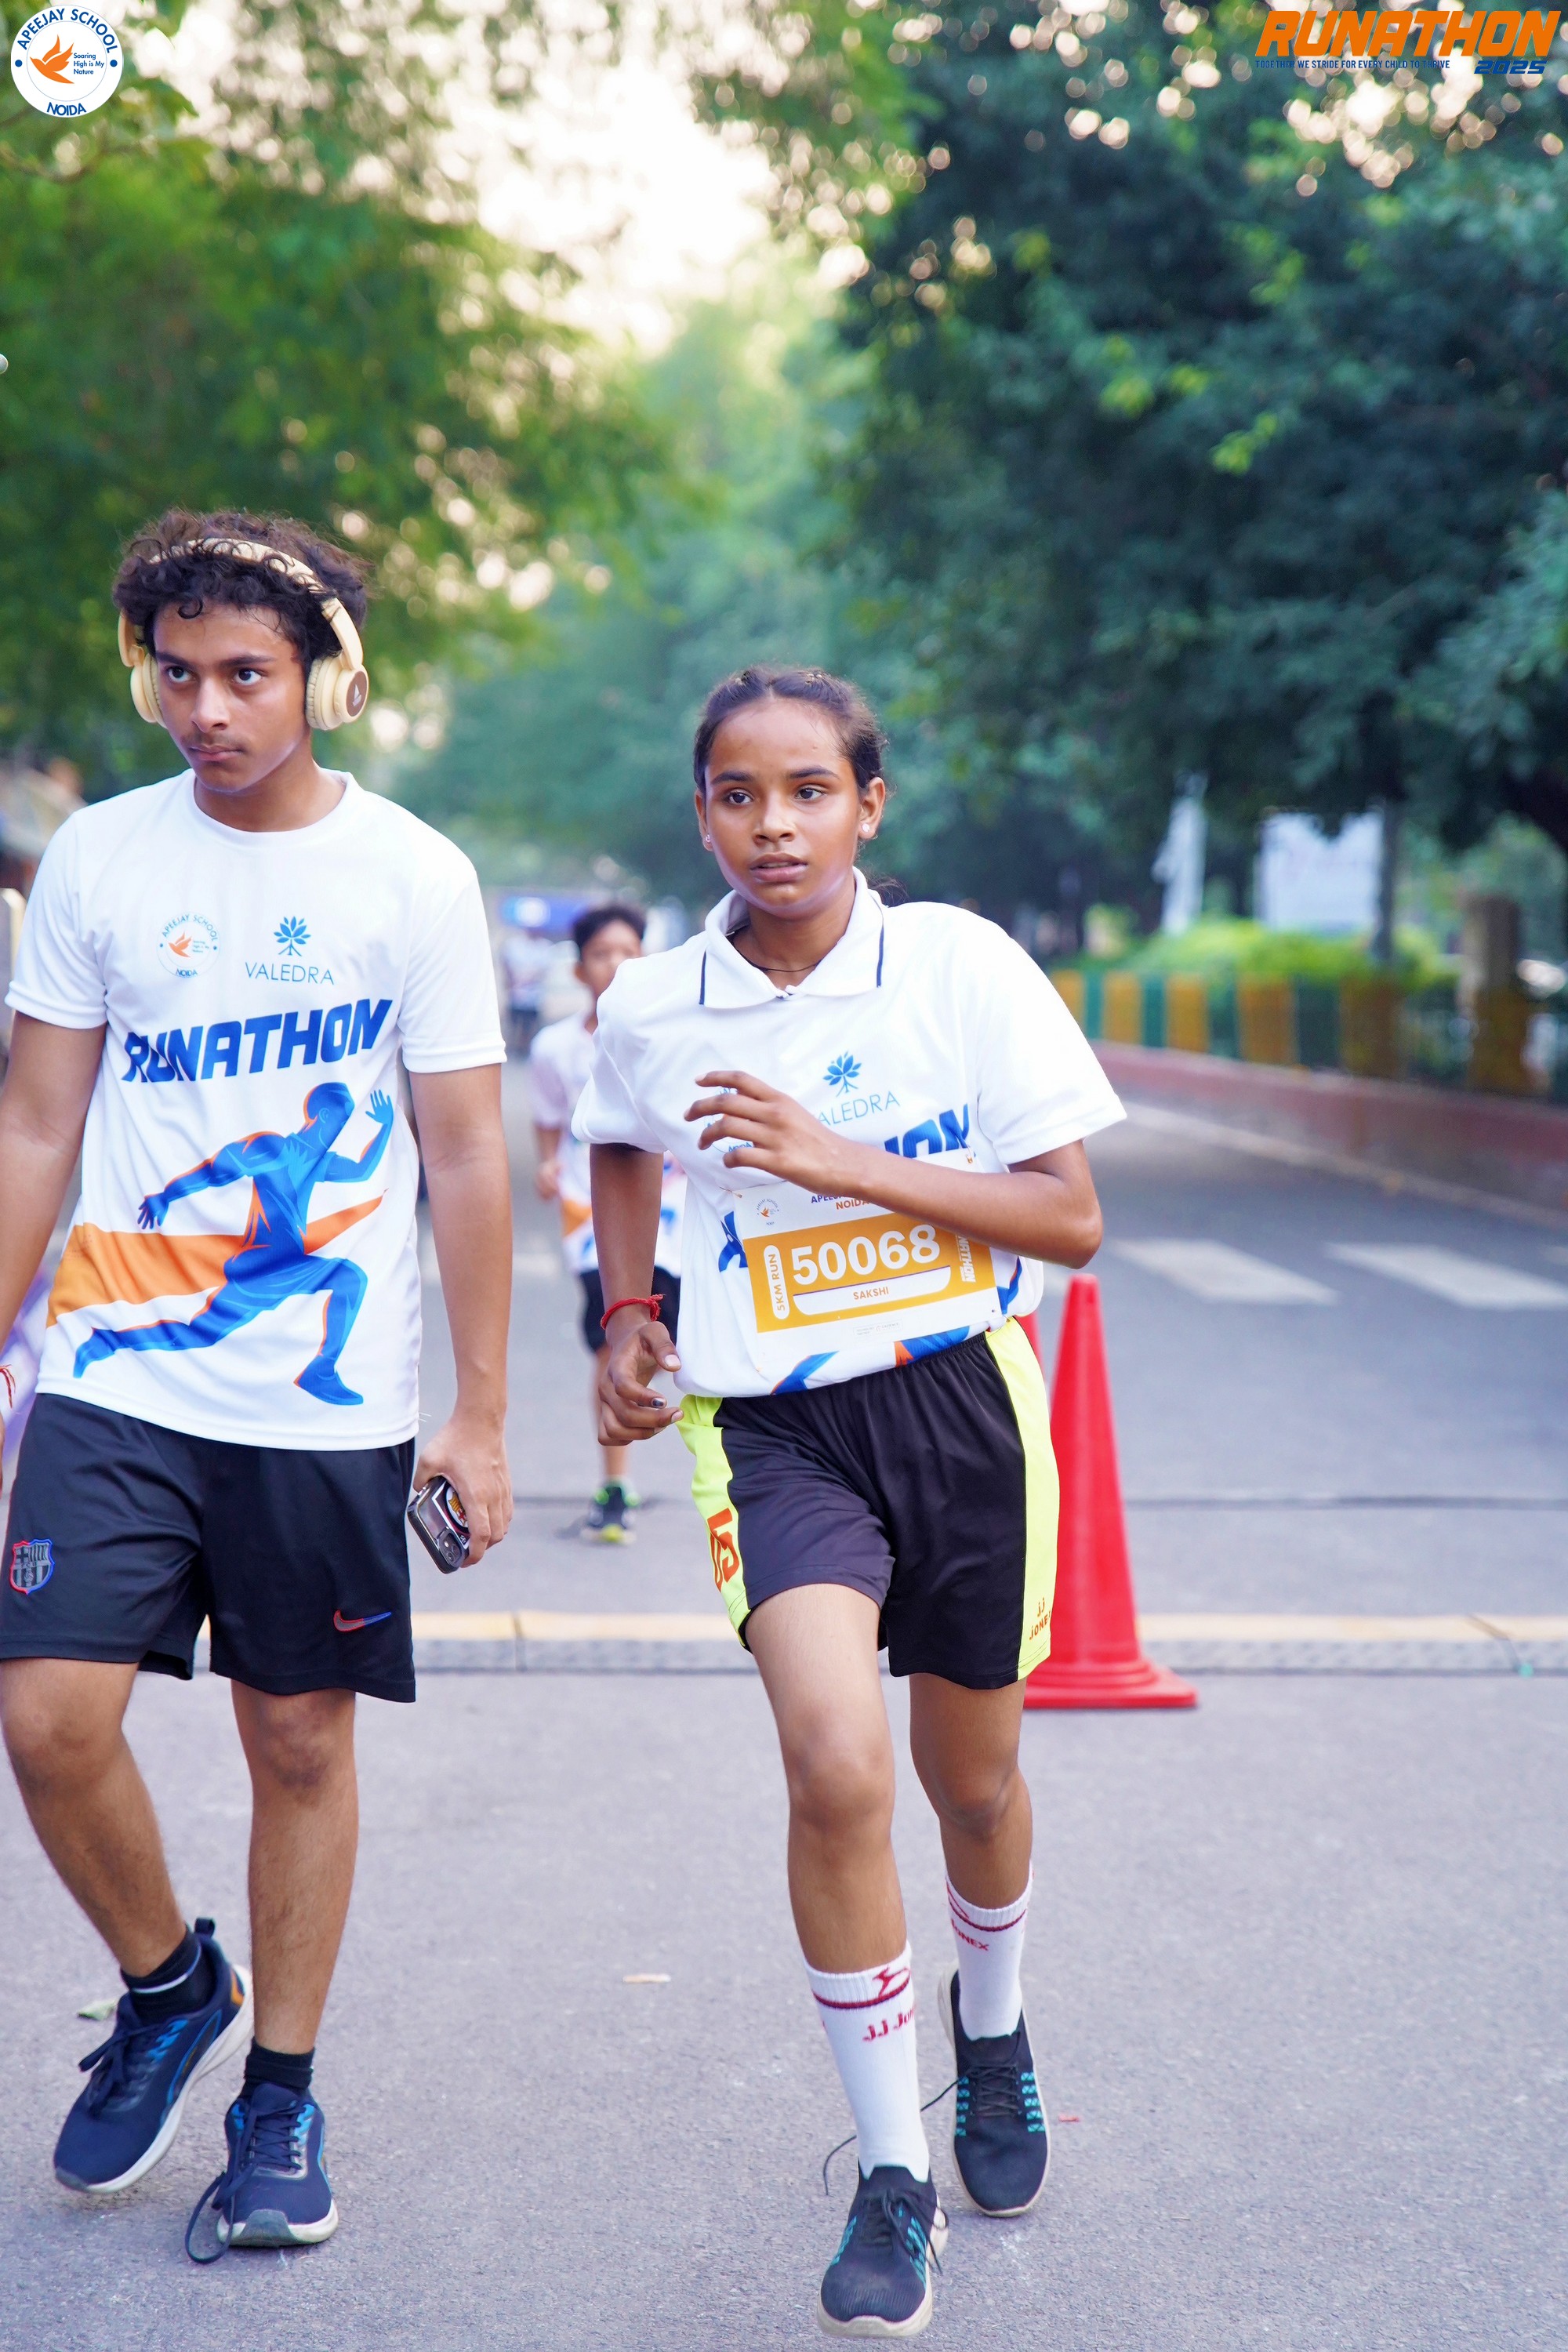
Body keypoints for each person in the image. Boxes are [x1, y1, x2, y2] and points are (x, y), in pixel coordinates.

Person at [578, 666, 1123, 2337]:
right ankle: (894, 2172)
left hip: (960, 1406)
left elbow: (1070, 1219)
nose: (775, 825)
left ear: (868, 805)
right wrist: (628, 1308)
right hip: (772, 1427)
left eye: (809, 790)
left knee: (976, 1784)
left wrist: (838, 1161)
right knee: (833, 1764)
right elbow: (619, 1140)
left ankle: (993, 2026)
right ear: (702, 815)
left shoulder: (957, 965)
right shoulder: (651, 1007)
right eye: (739, 794)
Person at [0, 512, 513, 2260]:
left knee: (296, 1739)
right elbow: (36, 1124)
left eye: (245, 674)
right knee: (48, 1718)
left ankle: (279, 2097)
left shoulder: (411, 878)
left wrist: (479, 1413)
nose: (206, 708)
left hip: (323, 1399)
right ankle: (167, 1987)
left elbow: (467, 1154)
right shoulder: (100, 857)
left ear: (324, 681)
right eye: (177, 673)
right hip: (115, 1364)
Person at [530, 902, 684, 1542]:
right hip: (593, 1212)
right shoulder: (555, 1047)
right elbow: (548, 1122)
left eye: (627, 952)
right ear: (579, 969)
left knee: (672, 1341)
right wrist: (547, 1164)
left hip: (678, 1215)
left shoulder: (676, 1033)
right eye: (601, 954)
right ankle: (615, 1483)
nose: (615, 964)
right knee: (612, 1338)